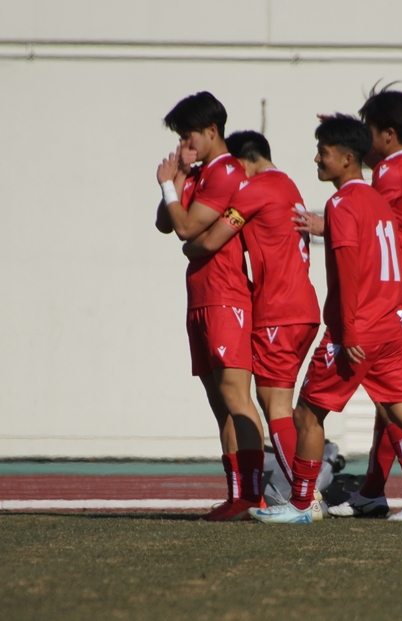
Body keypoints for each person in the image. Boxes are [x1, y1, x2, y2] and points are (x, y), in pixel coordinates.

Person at [250, 114, 402, 525]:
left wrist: (347, 331)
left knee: (307, 415)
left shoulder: (343, 203)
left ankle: (299, 507)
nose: (316, 159)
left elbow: (348, 275)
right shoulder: (379, 201)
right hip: (387, 329)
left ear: (347, 158)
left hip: (356, 331)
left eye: (323, 152)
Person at [180, 131, 323, 511]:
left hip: (280, 309)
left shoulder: (254, 189)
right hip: (302, 307)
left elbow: (208, 240)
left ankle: (304, 499)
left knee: (272, 404)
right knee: (277, 403)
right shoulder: (288, 185)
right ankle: (299, 495)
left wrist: (187, 244)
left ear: (243, 161)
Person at [327, 85, 402, 522]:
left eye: (367, 132)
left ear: (389, 135)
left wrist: (324, 224)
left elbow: (369, 229)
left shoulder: (389, 176)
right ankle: (374, 491)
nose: (364, 139)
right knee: (392, 399)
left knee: (393, 402)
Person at [154, 92, 266, 521]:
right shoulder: (200, 172)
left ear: (211, 132)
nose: (184, 145)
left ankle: (253, 493)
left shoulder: (226, 174)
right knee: (218, 402)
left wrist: (169, 186)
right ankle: (237, 495)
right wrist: (180, 176)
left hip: (226, 299)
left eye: (188, 137)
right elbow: (165, 223)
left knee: (236, 397)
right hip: (201, 299)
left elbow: (184, 226)